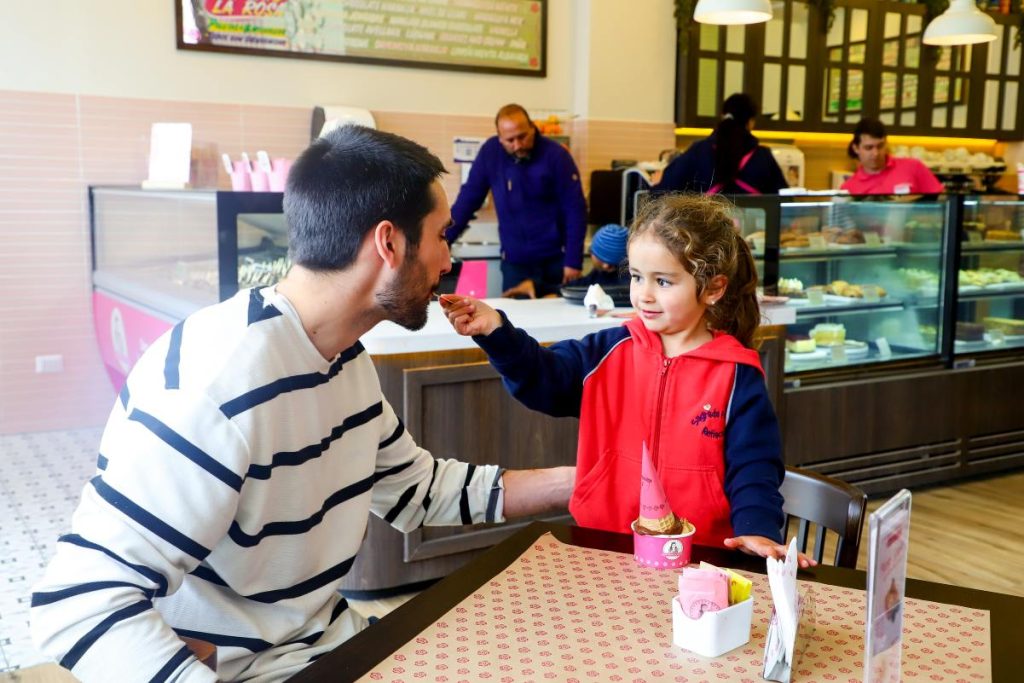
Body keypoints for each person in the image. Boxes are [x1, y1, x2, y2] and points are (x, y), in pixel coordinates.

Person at [30, 125, 575, 683]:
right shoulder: (214, 385)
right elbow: (79, 603)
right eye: (441, 237)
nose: (447, 261)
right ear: (388, 244)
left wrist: (579, 483)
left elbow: (419, 493)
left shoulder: (343, 360)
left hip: (327, 644)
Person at [441, 194, 815, 567]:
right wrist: (496, 333)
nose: (644, 294)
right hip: (605, 547)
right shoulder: (606, 351)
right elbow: (544, 379)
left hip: (704, 560)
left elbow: (754, 466)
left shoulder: (736, 374)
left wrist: (758, 529)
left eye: (664, 282)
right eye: (637, 277)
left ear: (713, 289)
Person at [445, 103, 588, 294]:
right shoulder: (490, 153)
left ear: (532, 127)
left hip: (554, 262)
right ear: (499, 138)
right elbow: (469, 199)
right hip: (515, 264)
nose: (518, 145)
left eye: (522, 136)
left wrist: (573, 260)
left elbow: (575, 210)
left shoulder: (556, 156)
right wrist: (443, 240)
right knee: (514, 321)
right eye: (510, 140)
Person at [652, 93, 788, 196]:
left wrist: (659, 181)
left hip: (707, 232)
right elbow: (785, 200)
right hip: (753, 233)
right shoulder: (763, 157)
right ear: (751, 122)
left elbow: (663, 192)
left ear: (723, 116)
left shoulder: (699, 151)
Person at [504, 224, 630, 298]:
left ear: (606, 265)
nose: (590, 252)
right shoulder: (602, 274)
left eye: (592, 251)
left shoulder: (619, 287)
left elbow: (579, 290)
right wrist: (537, 287)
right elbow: (576, 286)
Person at [841, 118, 944, 195]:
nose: (876, 153)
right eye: (869, 148)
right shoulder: (849, 188)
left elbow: (942, 200)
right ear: (856, 148)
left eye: (880, 146)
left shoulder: (913, 166)